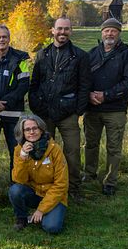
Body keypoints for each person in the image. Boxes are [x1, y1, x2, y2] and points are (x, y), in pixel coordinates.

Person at [29, 17, 91, 201]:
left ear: (71, 31)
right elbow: (35, 83)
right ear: (52, 30)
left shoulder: (80, 56)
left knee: (72, 151)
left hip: (68, 114)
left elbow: (84, 86)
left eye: (66, 29)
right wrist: (35, 105)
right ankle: (44, 187)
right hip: (44, 113)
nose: (62, 32)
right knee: (43, 151)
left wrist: (78, 111)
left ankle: (73, 188)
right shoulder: (42, 55)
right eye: (59, 29)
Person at [83, 17, 128, 196]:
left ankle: (110, 181)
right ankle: (89, 174)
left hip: (115, 109)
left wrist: (106, 95)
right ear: (101, 32)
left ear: (119, 33)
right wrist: (89, 95)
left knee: (113, 147)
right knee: (90, 144)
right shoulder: (92, 54)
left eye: (113, 30)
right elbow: (83, 79)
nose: (110, 33)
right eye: (107, 30)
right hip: (92, 108)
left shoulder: (127, 55)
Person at [0, 24, 31, 186]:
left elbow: (24, 85)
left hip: (13, 113)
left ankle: (15, 184)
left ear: (9, 39)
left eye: (4, 37)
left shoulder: (20, 59)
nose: (1, 40)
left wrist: (5, 103)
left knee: (15, 151)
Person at [8, 114, 67, 234]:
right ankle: (22, 218)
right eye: (27, 129)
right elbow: (19, 180)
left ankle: (44, 213)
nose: (31, 132)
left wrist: (41, 209)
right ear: (22, 132)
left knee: (52, 228)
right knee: (15, 190)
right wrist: (23, 157)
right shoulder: (19, 150)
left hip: (53, 194)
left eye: (35, 128)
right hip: (34, 193)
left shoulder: (55, 149)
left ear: (41, 129)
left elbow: (61, 184)